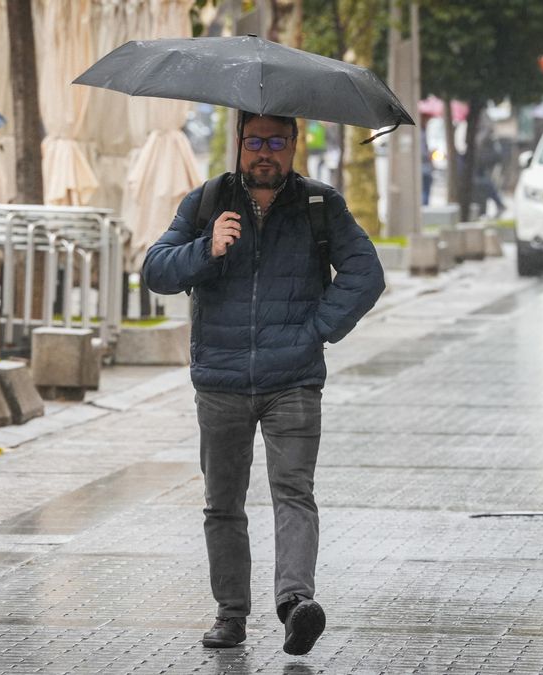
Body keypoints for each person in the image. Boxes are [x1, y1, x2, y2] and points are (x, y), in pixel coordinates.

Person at [142, 112, 385, 655]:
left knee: (293, 493)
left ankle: (296, 604)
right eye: (255, 142)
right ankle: (230, 616)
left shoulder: (321, 205)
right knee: (222, 503)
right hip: (221, 381)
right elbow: (155, 270)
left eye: (277, 142)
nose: (265, 153)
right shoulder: (205, 203)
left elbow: (367, 274)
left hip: (292, 380)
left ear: (295, 145)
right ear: (239, 143)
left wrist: (315, 333)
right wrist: (207, 248)